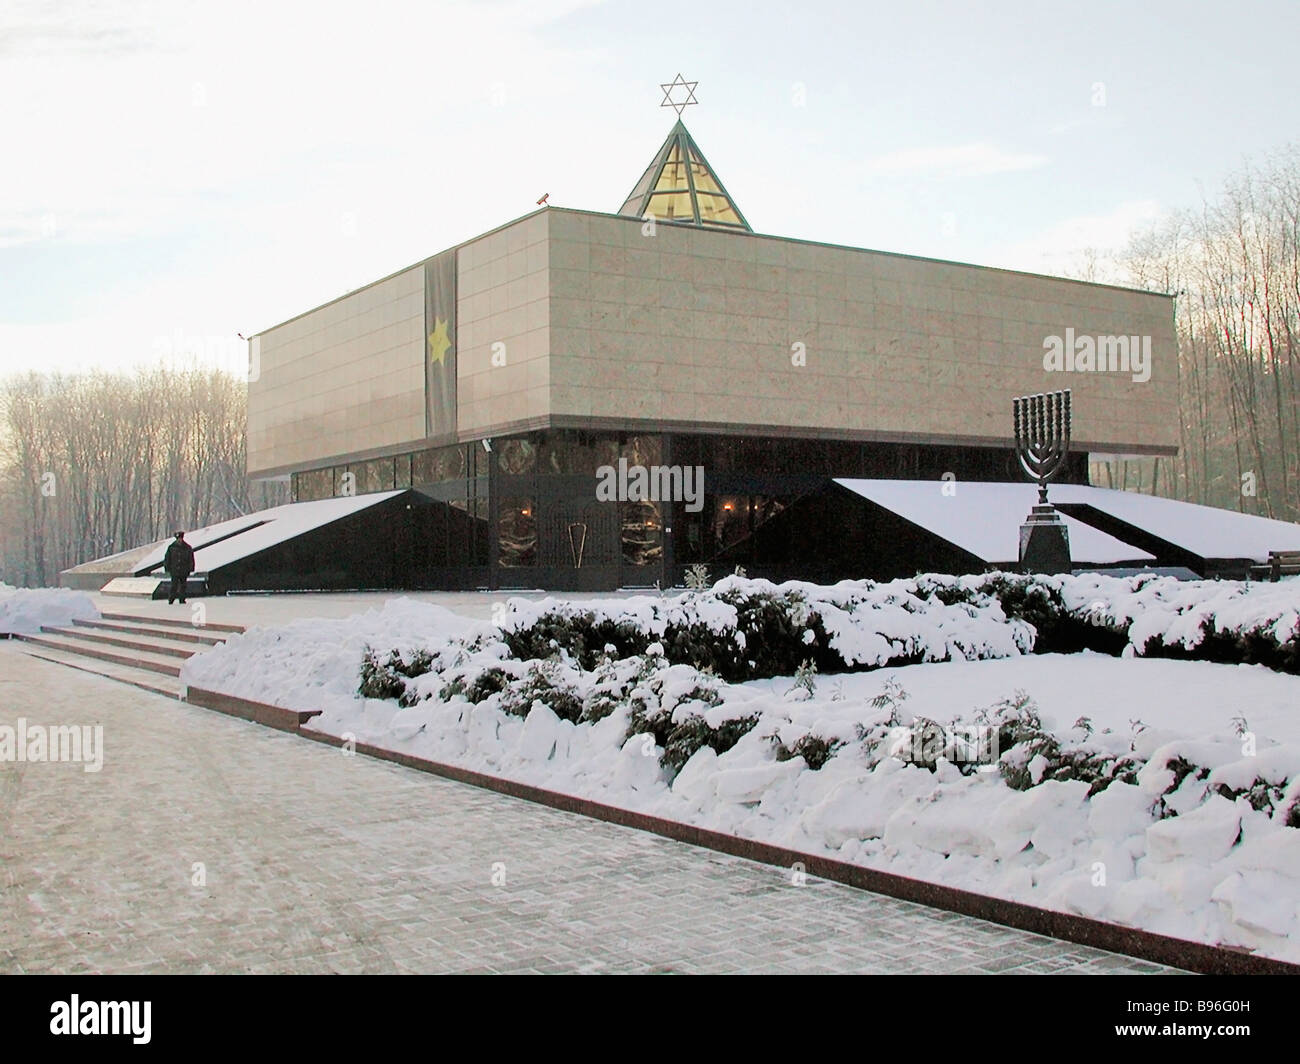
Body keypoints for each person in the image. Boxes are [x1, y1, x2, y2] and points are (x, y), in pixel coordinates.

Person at [164, 530, 195, 605]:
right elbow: (167, 558)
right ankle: (171, 599)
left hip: (184, 570)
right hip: (174, 570)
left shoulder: (187, 547)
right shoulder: (171, 547)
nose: (179, 540)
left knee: (183, 586)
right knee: (174, 585)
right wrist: (167, 568)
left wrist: (191, 568)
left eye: (180, 538)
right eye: (178, 538)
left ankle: (182, 599)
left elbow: (190, 559)